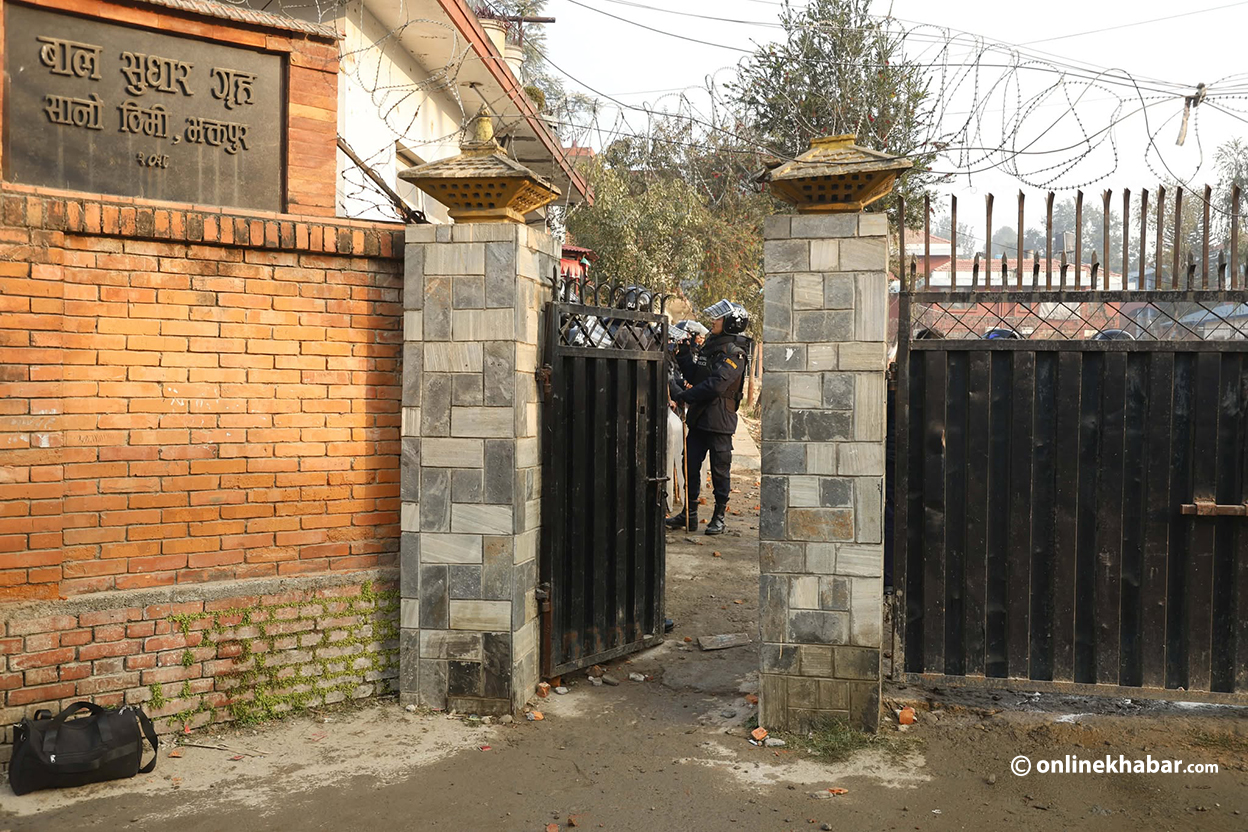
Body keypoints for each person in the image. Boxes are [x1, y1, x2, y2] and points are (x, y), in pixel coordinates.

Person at [665, 300, 751, 535]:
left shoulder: (735, 353)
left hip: (720, 420)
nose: (713, 322)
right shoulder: (711, 346)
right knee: (690, 465)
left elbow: (715, 385)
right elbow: (697, 375)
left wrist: (685, 396)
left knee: (720, 470)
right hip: (700, 418)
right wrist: (683, 355)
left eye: (719, 319)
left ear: (731, 323)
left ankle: (719, 517)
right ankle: (689, 514)